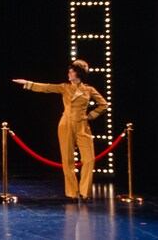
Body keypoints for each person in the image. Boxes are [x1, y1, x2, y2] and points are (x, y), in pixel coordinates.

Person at [12, 59, 108, 202]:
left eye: (71, 72)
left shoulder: (89, 89)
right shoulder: (65, 87)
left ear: (78, 73)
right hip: (66, 124)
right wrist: (27, 83)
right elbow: (47, 87)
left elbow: (103, 105)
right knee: (67, 159)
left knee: (89, 159)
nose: (68, 74)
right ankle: (72, 193)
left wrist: (90, 116)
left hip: (82, 125)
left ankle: (85, 192)